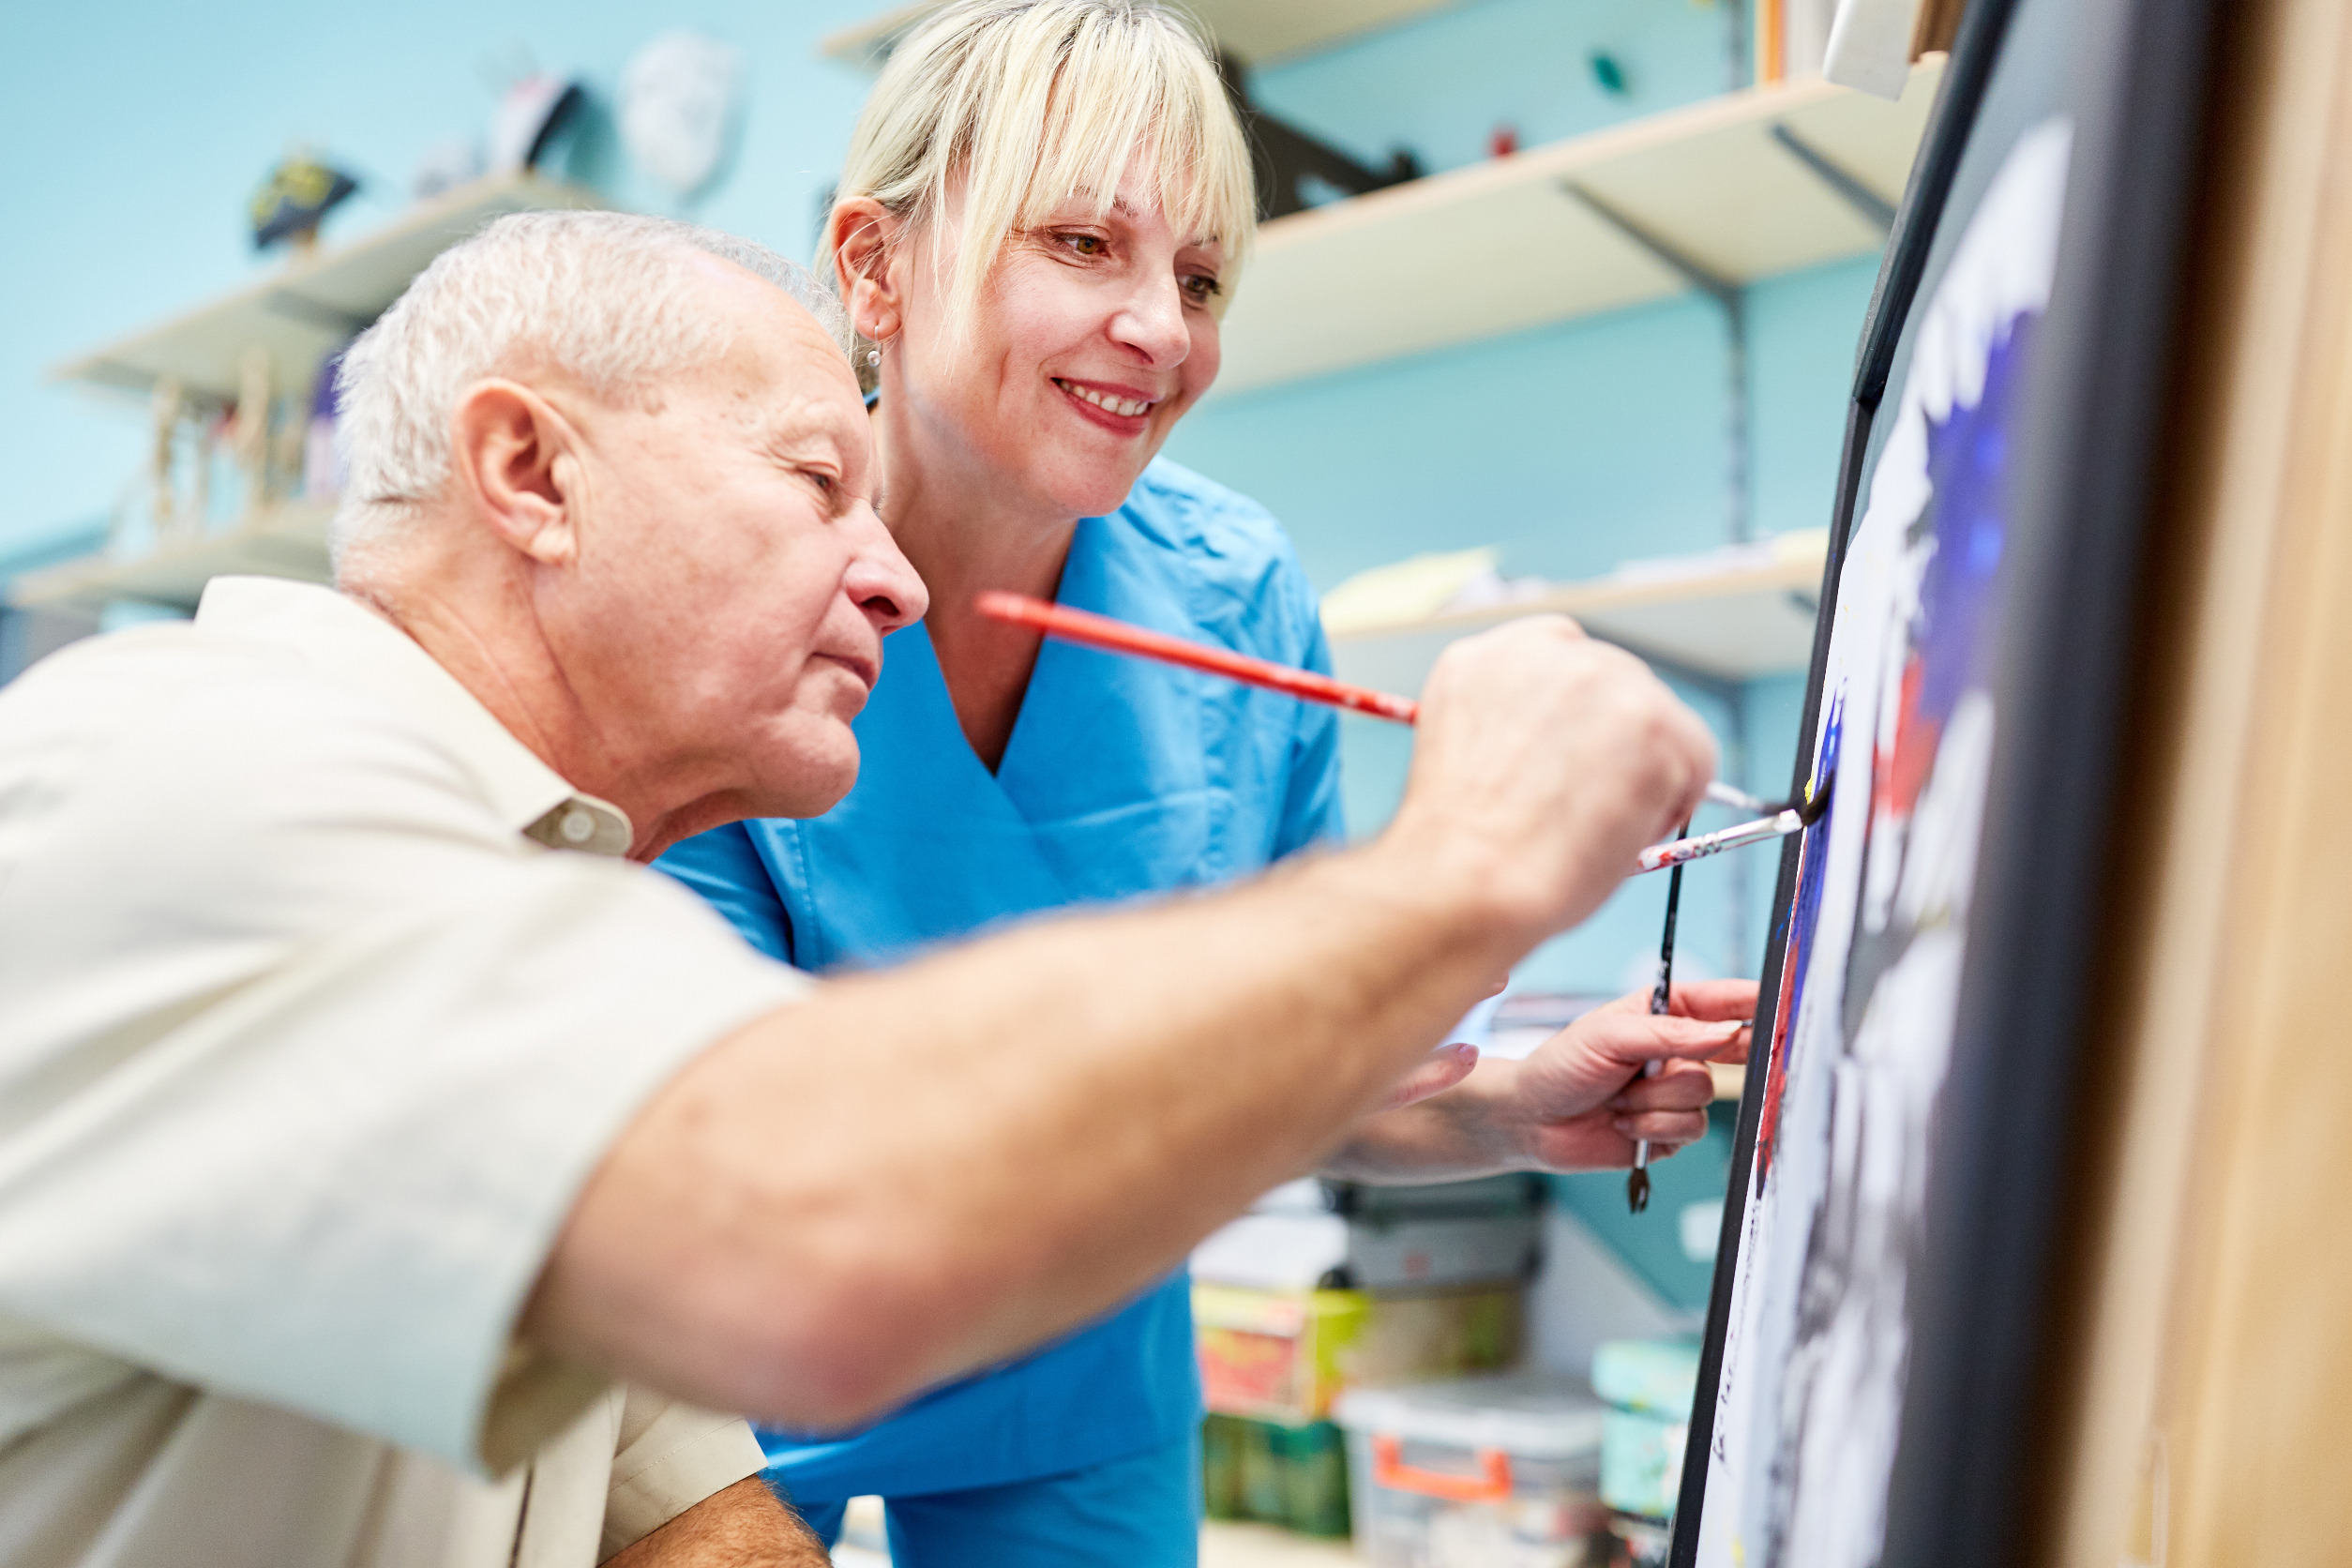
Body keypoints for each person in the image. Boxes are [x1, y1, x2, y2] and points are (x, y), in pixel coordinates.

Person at [0, 210, 1736, 1568]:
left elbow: (663, 1502)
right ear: (531, 474)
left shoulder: (537, 882)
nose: (896, 576)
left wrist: (1482, 1085)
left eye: (1200, 273)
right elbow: (804, 1251)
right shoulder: (196, 783)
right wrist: (1470, 861)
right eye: (815, 479)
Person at [656, 3, 1759, 1562]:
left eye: (1198, 279)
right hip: (723, 1403)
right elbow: (721, 1164)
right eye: (1083, 245)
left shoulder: (1233, 593)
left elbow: (1275, 1088)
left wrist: (1511, 1106)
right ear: (872, 269)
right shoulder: (714, 604)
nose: (1163, 333)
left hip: (1084, 1388)